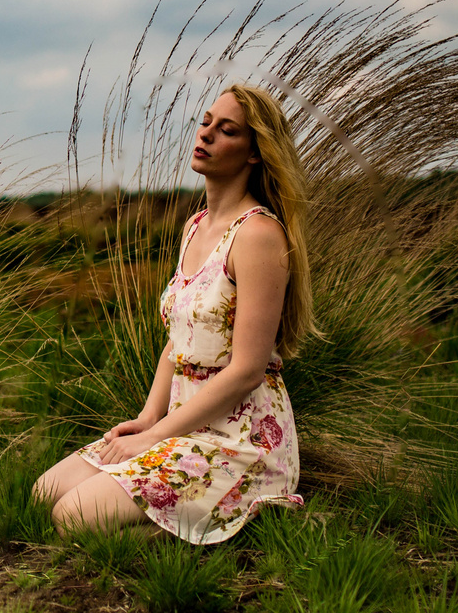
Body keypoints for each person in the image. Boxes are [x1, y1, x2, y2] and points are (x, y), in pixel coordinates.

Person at [33, 83, 314, 544]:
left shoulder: (259, 235)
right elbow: (179, 341)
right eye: (206, 123)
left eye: (226, 131)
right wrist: (148, 420)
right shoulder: (195, 226)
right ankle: (197, 520)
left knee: (74, 519)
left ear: (253, 153)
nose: (205, 135)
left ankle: (248, 521)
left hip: (241, 442)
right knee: (45, 493)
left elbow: (246, 371)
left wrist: (154, 437)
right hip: (183, 425)